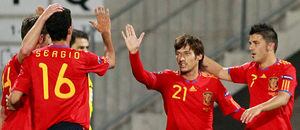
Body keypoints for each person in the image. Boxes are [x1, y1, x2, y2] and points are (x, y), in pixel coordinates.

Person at [7, 5, 115, 130]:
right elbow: (111, 61)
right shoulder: (82, 57)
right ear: (70, 30)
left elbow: (14, 98)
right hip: (74, 127)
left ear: (48, 30)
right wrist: (106, 34)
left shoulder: (33, 58)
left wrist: (12, 102)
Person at [121, 24, 245, 130]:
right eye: (178, 54)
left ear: (199, 56)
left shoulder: (212, 83)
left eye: (186, 54)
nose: (181, 59)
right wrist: (134, 54)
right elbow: (141, 76)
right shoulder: (167, 78)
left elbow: (235, 110)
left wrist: (258, 113)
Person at [203, 23, 297, 130]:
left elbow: (283, 98)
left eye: (256, 43)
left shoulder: (286, 69)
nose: (250, 47)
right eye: (250, 43)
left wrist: (259, 108)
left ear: (270, 46)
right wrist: (198, 54)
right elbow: (220, 71)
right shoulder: (250, 68)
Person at [0, 5, 61, 130]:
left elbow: (2, 112)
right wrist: (43, 18)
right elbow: (25, 50)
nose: (51, 46)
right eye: (49, 39)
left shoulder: (10, 66)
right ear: (40, 38)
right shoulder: (24, 61)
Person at [70, 8, 113, 129]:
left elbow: (110, 60)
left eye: (87, 47)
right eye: (80, 48)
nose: (85, 52)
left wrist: (106, 34)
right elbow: (112, 61)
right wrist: (106, 34)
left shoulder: (85, 65)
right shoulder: (67, 68)